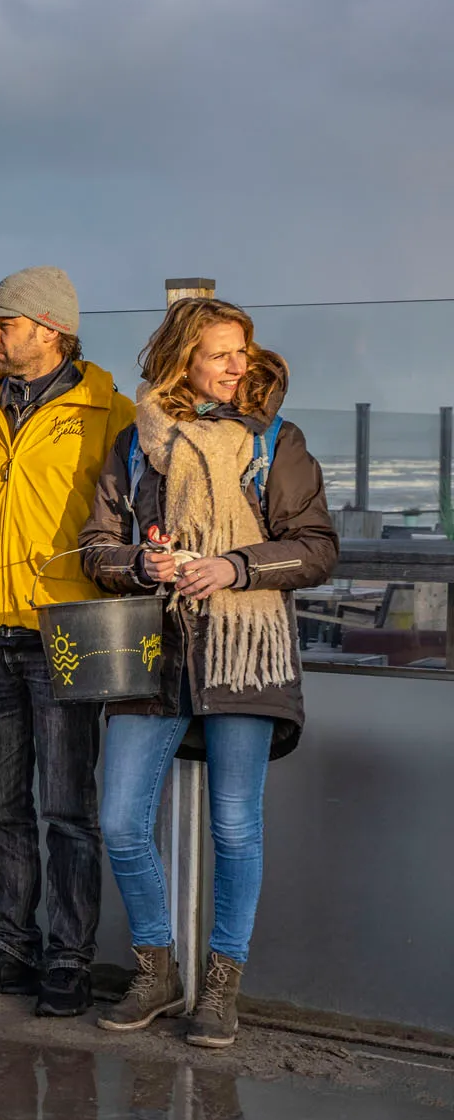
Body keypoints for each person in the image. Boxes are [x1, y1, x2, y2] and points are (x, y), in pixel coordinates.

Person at [82, 297, 335, 1048]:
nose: (237, 366)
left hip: (244, 653)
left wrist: (234, 564)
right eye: (220, 353)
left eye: (242, 352)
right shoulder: (135, 444)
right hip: (151, 655)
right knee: (121, 821)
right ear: (181, 359)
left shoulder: (274, 441)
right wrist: (140, 561)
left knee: (234, 824)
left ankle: (221, 985)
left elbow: (317, 547)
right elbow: (97, 547)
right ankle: (157, 968)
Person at [0, 265, 137, 1017]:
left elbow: (120, 515)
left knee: (68, 809)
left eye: (3, 325)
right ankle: (11, 946)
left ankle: (69, 957)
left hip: (70, 631)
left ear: (50, 329)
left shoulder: (109, 411)